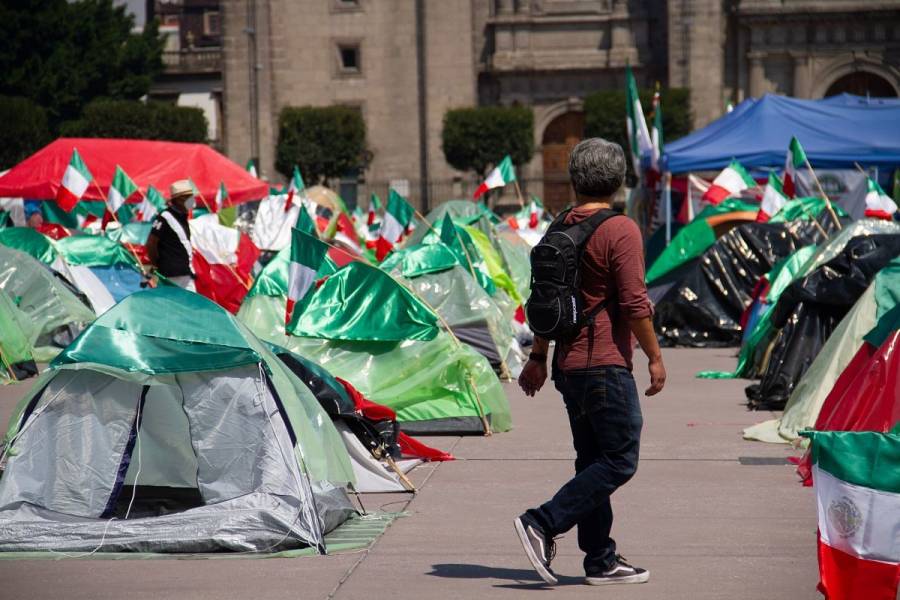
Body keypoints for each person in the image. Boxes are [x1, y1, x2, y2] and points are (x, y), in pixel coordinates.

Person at [514, 138, 666, 587]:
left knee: (592, 461)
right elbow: (636, 303)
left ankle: (600, 558)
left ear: (575, 179)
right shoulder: (621, 229)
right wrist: (656, 358)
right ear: (619, 181)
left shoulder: (560, 225)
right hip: (604, 366)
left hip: (567, 366)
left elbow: (545, 299)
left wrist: (540, 357)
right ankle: (542, 521)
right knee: (620, 460)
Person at [146, 180, 196, 291]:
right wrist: (156, 263)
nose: (191, 200)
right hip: (171, 274)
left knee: (191, 305)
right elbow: (151, 243)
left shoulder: (182, 217)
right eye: (187, 197)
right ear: (178, 200)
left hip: (186, 273)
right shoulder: (165, 217)